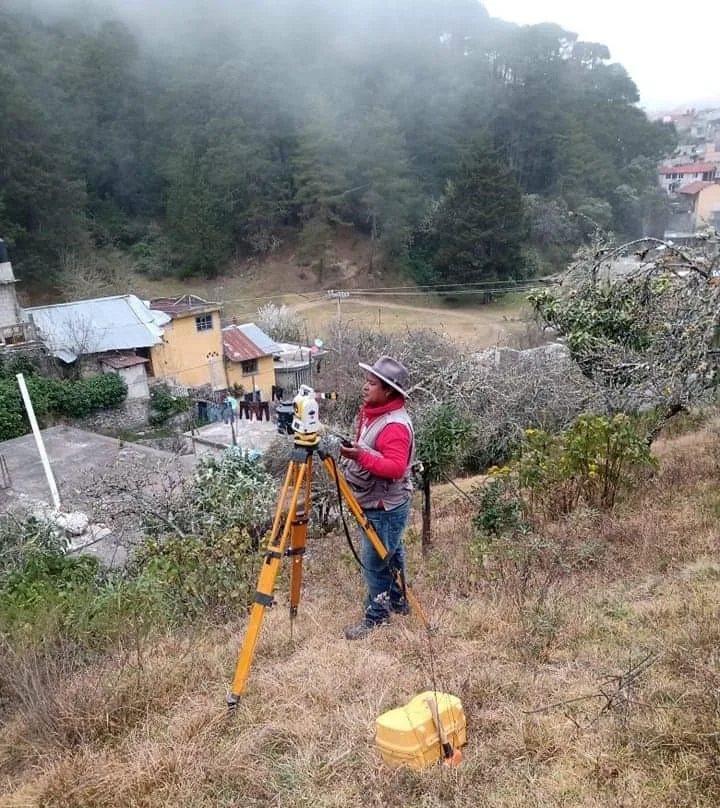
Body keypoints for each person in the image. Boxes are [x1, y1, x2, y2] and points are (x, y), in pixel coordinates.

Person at [339, 356, 414, 640]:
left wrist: (361, 455)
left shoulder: (395, 425)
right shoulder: (375, 413)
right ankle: (397, 600)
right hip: (379, 503)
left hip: (384, 507)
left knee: (375, 562)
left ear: (389, 390)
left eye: (372, 383)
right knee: (391, 554)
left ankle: (377, 616)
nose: (365, 387)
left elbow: (395, 468)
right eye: (367, 381)